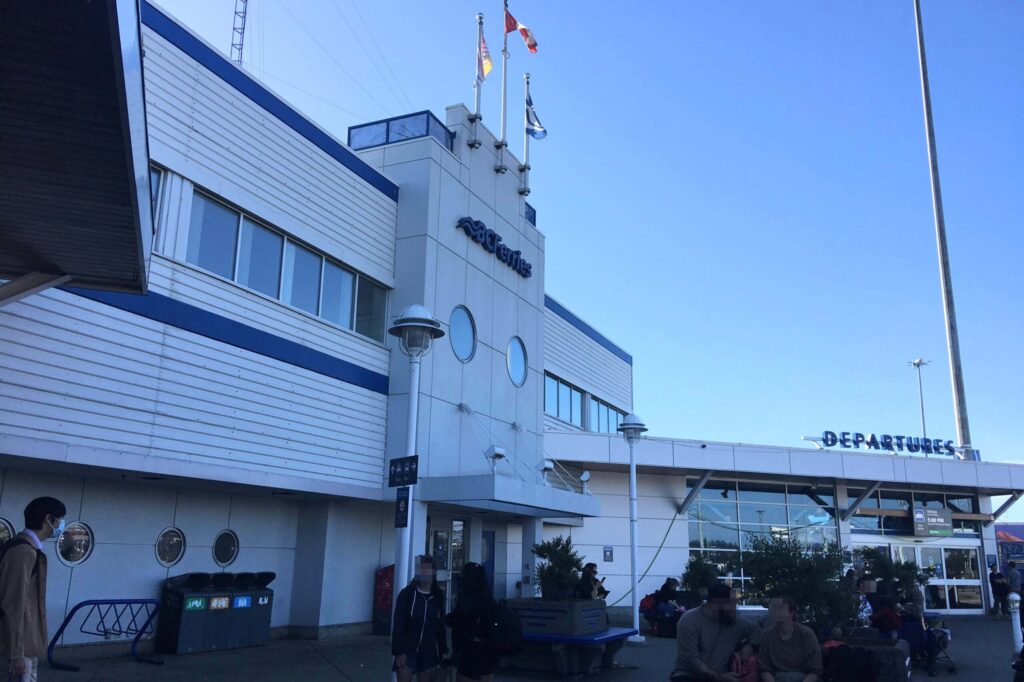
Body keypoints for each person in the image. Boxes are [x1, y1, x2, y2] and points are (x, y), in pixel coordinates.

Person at [0, 496, 66, 682]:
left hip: (27, 645)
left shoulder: (30, 550)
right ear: (48, 519)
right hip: (19, 648)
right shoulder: (23, 552)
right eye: (60, 519)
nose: (61, 524)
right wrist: (16, 653)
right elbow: (13, 604)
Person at [671, 582, 758, 682]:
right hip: (690, 676)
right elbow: (689, 659)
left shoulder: (735, 622)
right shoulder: (690, 620)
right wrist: (718, 677)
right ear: (718, 604)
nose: (735, 608)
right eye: (732, 604)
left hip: (724, 676)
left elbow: (757, 630)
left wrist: (751, 645)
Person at [392, 556, 448, 682]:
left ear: (433, 572)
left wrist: (443, 650)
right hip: (408, 648)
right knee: (404, 673)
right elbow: (398, 624)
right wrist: (399, 651)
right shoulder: (407, 594)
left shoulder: (437, 596)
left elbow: (440, 626)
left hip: (428, 650)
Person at [447, 562, 498, 682]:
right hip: (487, 649)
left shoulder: (466, 596)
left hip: (469, 648)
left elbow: (460, 619)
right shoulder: (488, 596)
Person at [756, 596, 823, 682]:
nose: (774, 612)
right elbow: (764, 668)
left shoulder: (807, 634)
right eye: (772, 608)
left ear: (791, 612)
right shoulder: (767, 636)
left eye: (779, 609)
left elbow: (815, 670)